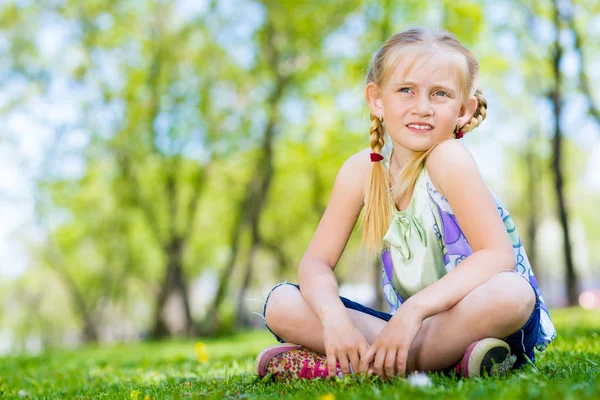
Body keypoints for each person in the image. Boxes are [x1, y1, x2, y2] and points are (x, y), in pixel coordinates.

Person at [254, 27, 556, 381]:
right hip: (409, 330)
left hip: (478, 319)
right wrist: (334, 320)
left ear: (464, 109)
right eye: (406, 90)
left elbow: (497, 257)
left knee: (512, 293)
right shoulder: (362, 172)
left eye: (440, 94)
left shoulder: (448, 158)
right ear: (377, 99)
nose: (422, 107)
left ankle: (355, 367)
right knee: (282, 302)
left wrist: (413, 311)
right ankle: (441, 363)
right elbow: (315, 264)